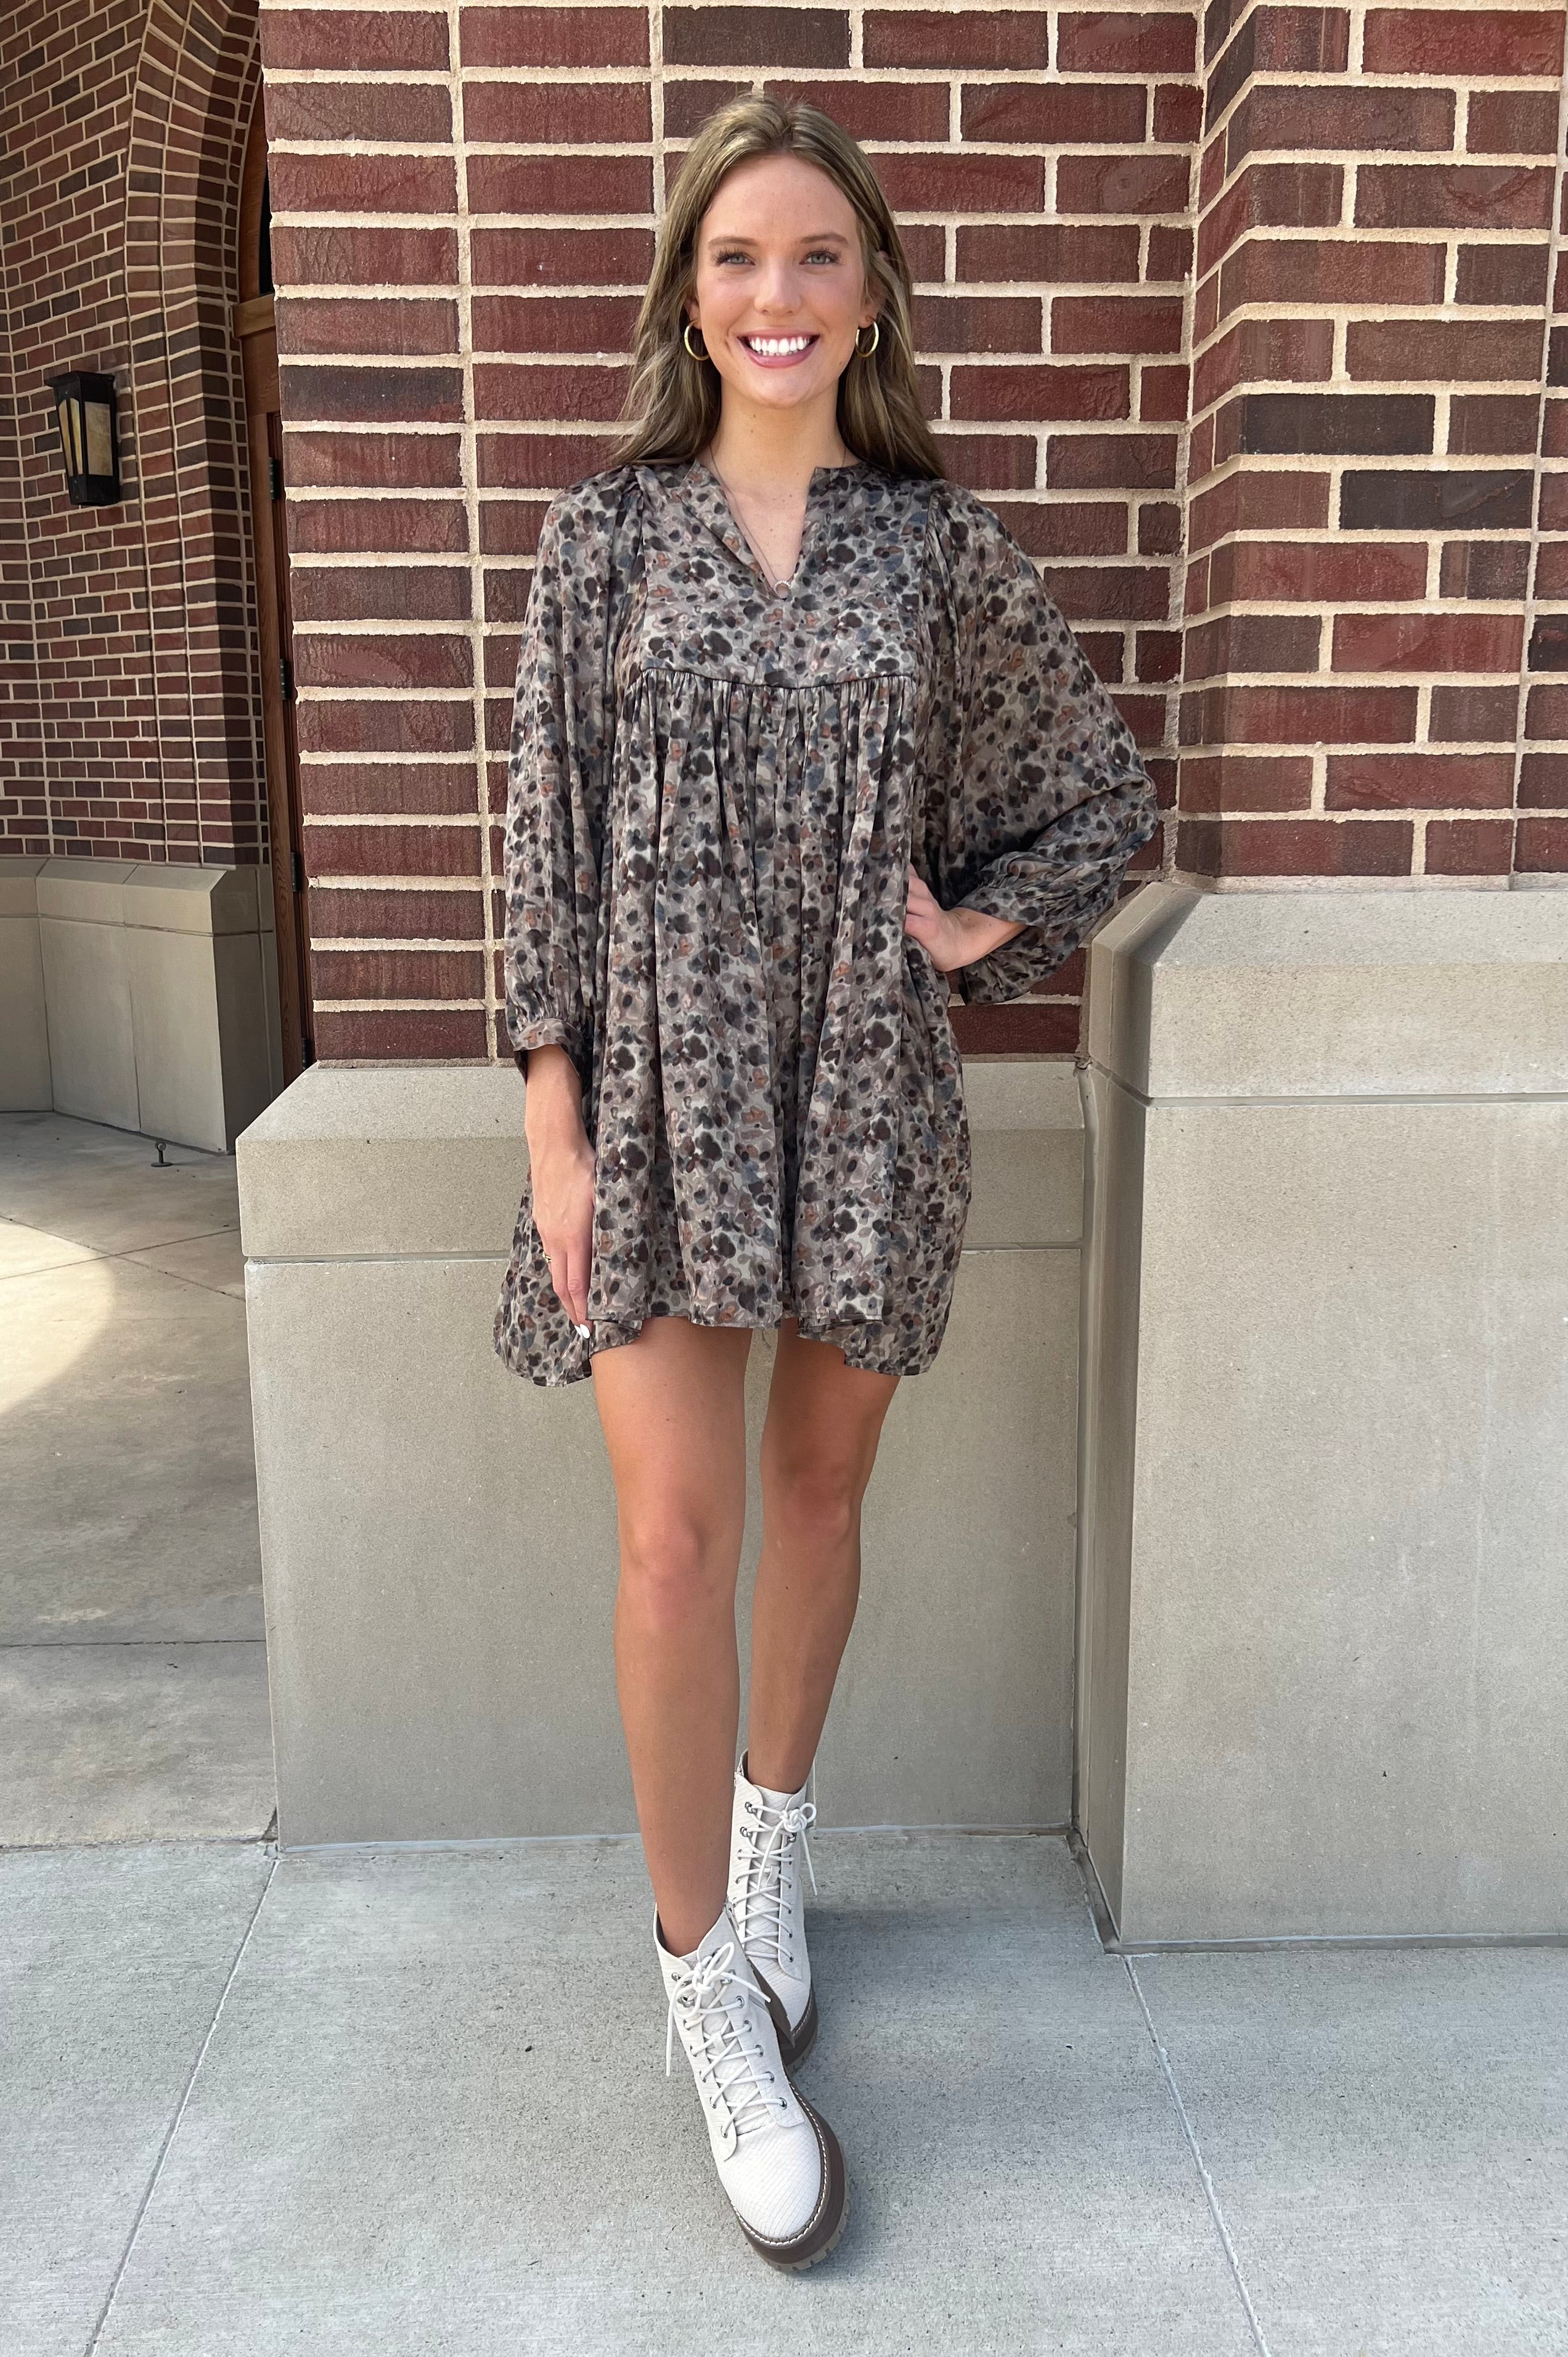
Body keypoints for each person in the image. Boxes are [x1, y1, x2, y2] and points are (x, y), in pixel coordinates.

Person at [494, 96, 1157, 2269]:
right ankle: (706, 1990)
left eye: (815, 257)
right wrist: (557, 1129)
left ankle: (775, 1851)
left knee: (814, 1504)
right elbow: (542, 845)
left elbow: (1096, 792)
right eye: (736, 257)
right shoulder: (601, 538)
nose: (774, 296)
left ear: (870, 297)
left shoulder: (936, 552)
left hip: (865, 1090)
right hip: (660, 1103)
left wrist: (973, 935)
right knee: (671, 1543)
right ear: (687, 295)